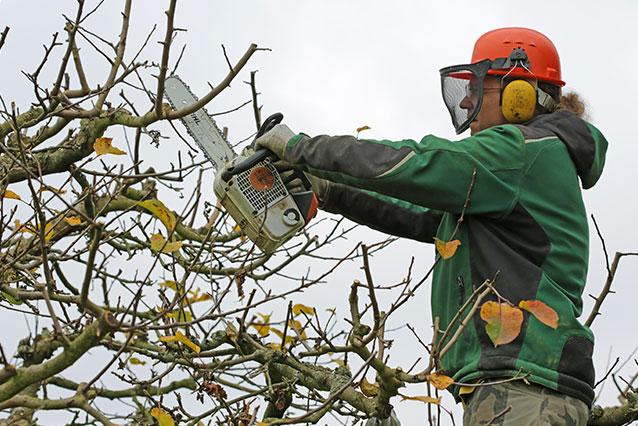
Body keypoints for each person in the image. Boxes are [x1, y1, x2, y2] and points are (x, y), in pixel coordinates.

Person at [255, 27, 607, 425]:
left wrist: (301, 147)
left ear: (519, 95)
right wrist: (327, 188)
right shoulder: (508, 177)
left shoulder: (523, 152)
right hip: (511, 387)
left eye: (480, 87)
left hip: (525, 387)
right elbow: (416, 210)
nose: (469, 101)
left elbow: (418, 164)